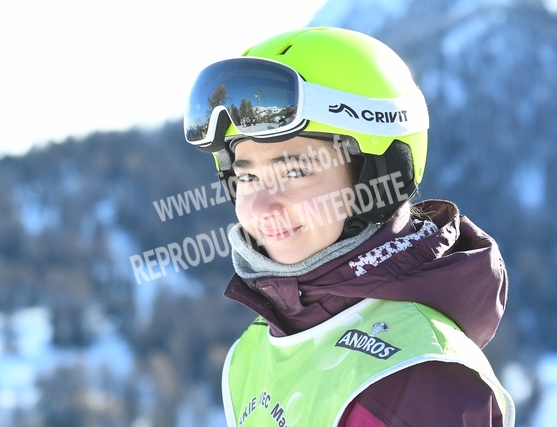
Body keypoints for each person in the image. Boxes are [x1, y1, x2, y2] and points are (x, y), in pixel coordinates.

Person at [183, 26, 515, 427]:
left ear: (375, 178)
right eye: (247, 176)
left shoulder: (414, 380)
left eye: (295, 172)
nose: (261, 206)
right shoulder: (252, 352)